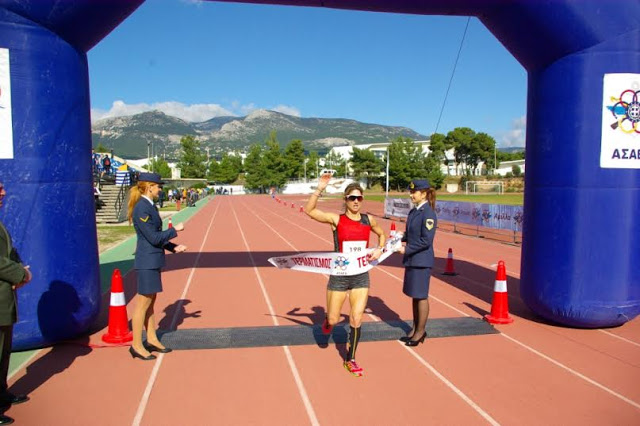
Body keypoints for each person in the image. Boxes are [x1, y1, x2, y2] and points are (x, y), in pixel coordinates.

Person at [304, 174, 385, 377]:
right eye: (352, 198)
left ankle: (351, 359)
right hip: (339, 277)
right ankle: (328, 322)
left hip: (360, 276)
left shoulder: (369, 220)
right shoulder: (336, 220)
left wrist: (379, 249)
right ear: (345, 200)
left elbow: (382, 234)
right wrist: (320, 188)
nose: (356, 201)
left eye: (359, 198)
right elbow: (310, 211)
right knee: (333, 318)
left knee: (356, 318)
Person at [128, 173, 187, 360]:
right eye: (158, 186)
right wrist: (174, 231)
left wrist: (173, 247)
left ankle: (152, 338)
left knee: (151, 304)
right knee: (142, 304)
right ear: (149, 187)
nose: (160, 190)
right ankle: (137, 345)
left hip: (153, 260)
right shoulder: (142, 209)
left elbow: (155, 235)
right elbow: (153, 238)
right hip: (146, 261)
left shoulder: (149, 206)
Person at [0, 182, 31, 424]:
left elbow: (9, 254)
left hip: (6, 295)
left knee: (4, 350)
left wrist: (20, 268)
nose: (4, 193)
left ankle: (2, 394)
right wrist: (20, 275)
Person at [397, 179, 437, 347]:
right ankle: (415, 328)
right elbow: (412, 233)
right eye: (411, 192)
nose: (411, 195)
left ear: (424, 193)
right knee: (415, 295)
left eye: (414, 192)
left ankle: (421, 332)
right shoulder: (414, 212)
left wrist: (406, 249)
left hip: (421, 260)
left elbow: (426, 240)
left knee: (421, 296)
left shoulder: (428, 213)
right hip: (413, 260)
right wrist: (401, 236)